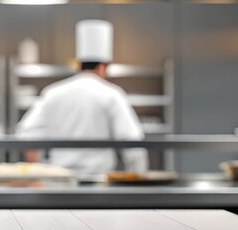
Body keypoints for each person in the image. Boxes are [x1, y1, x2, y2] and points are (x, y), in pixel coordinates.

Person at [17, 19, 147, 176]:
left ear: (78, 65)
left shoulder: (53, 92)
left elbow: (27, 132)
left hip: (60, 179)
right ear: (102, 67)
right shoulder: (111, 94)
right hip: (98, 179)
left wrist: (37, 172)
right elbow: (131, 141)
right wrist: (138, 177)